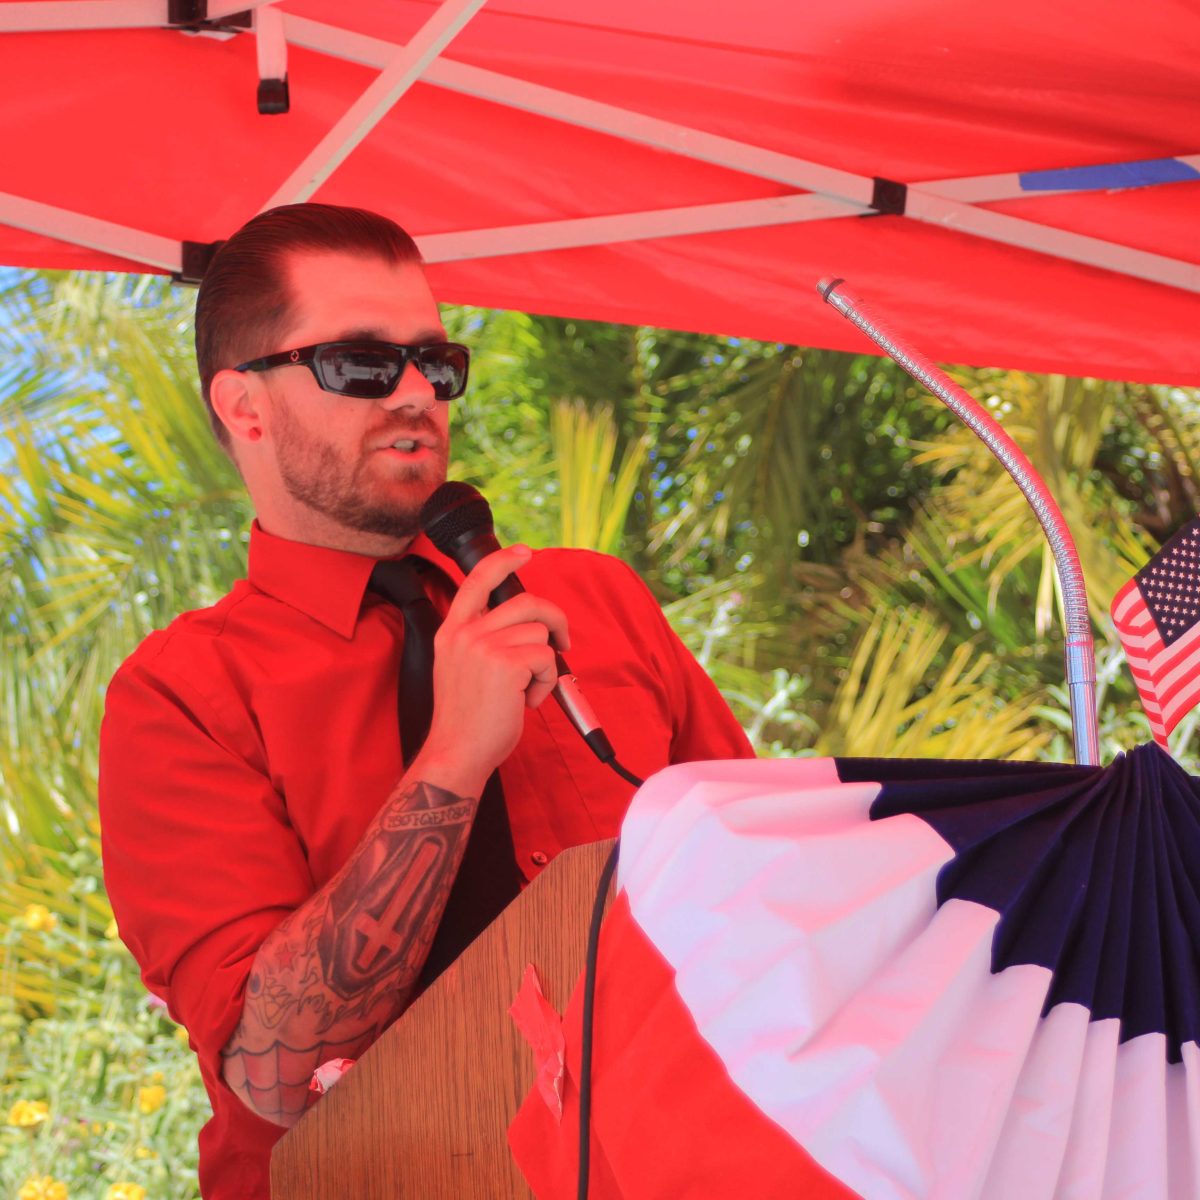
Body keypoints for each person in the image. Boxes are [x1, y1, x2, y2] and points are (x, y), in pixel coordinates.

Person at [98, 203, 754, 1199]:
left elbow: (759, 892)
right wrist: (453, 760)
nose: (415, 393)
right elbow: (270, 1074)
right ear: (243, 406)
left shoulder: (590, 601)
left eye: (436, 364)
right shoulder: (183, 694)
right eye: (362, 364)